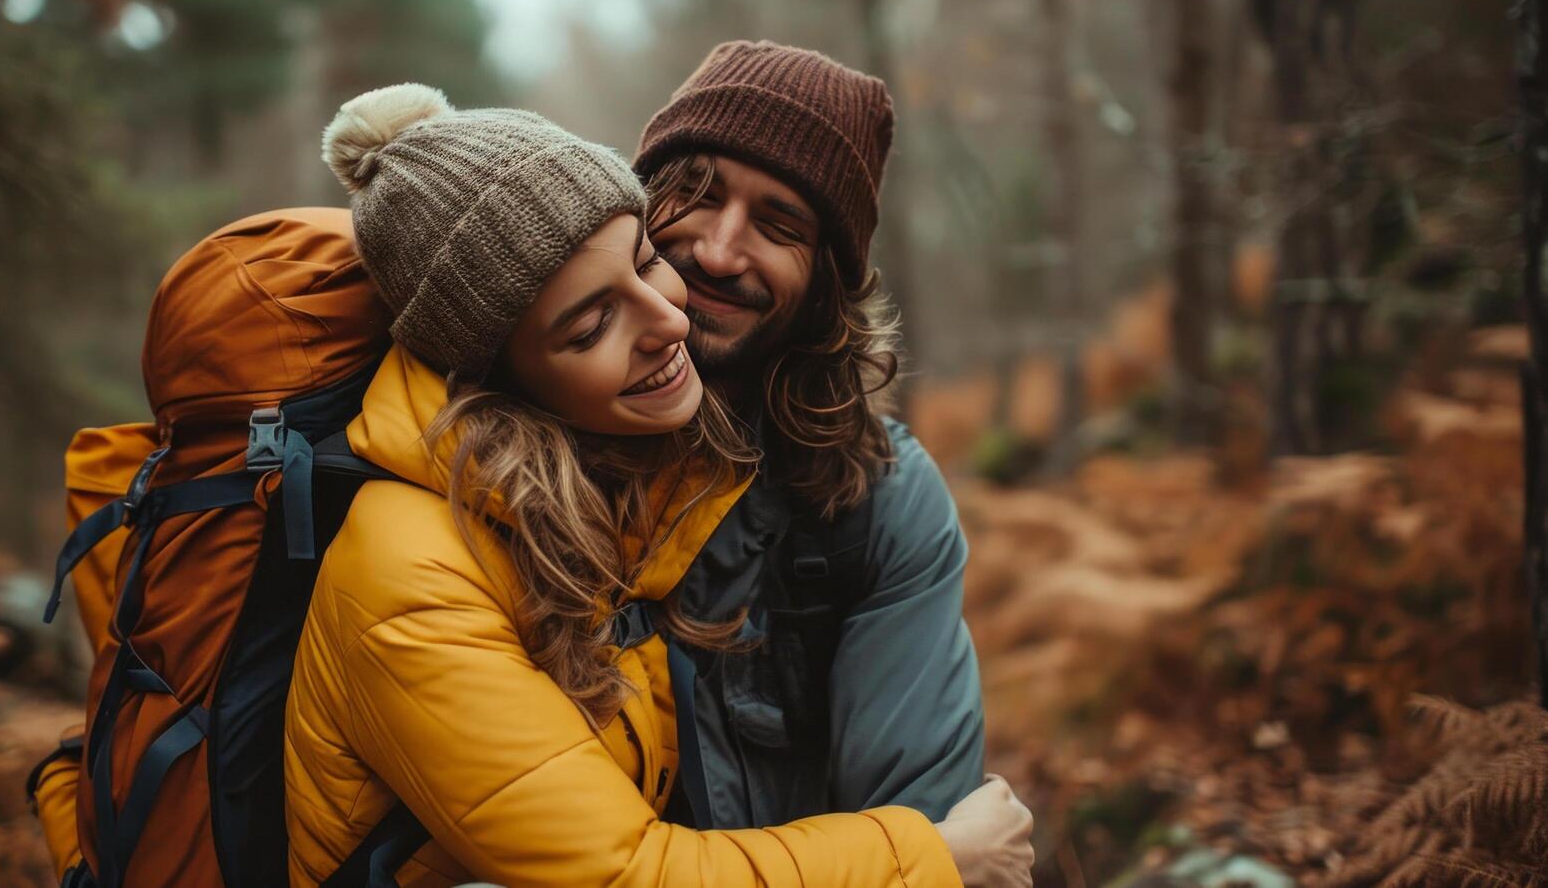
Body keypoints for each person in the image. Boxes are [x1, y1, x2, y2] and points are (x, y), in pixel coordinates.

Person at [281, 83, 1034, 887]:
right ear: (496, 372)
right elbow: (624, 873)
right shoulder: (415, 574)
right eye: (591, 323)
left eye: (643, 262)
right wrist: (935, 859)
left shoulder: (628, 483)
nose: (672, 315)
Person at [628, 40, 990, 831]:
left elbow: (925, 836)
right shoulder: (507, 448)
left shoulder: (878, 505)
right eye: (697, 192)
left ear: (827, 278)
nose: (719, 251)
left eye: (778, 223)